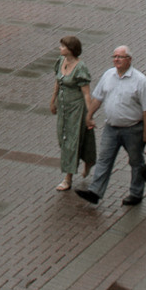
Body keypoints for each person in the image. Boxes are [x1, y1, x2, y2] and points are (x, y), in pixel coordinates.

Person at [75, 44, 146, 207]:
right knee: (104, 159)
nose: (116, 60)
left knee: (136, 162)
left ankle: (135, 193)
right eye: (114, 57)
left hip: (133, 129)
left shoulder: (140, 81)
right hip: (111, 128)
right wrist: (89, 115)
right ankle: (95, 192)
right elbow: (98, 97)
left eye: (120, 57)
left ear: (129, 60)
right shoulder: (108, 75)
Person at [51, 34, 92, 192]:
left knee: (71, 142)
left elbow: (87, 93)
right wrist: (53, 99)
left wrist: (89, 114)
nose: (60, 48)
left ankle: (68, 178)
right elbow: (57, 81)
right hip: (63, 107)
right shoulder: (60, 61)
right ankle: (89, 159)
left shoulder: (81, 68)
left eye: (63, 46)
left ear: (71, 50)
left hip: (76, 108)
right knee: (63, 139)